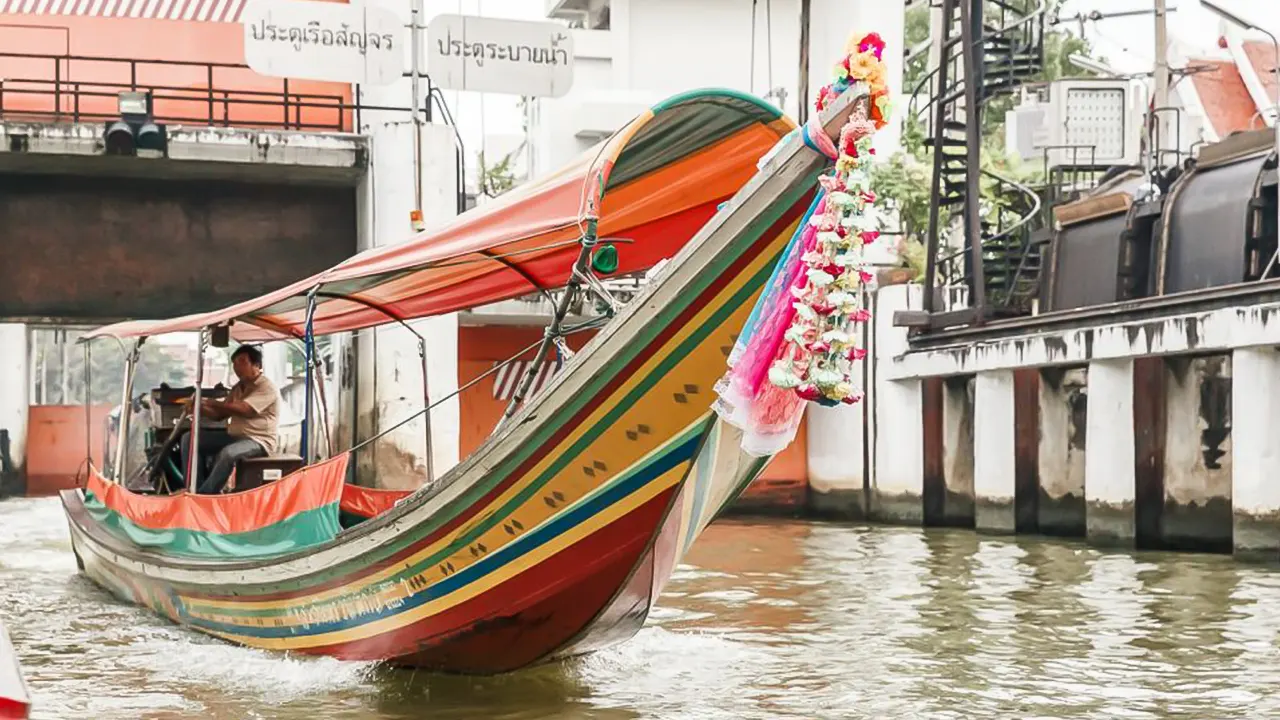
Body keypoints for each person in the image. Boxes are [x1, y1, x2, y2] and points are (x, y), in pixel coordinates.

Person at [179, 344, 280, 494]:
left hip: (259, 440)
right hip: (235, 436)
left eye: (242, 362)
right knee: (189, 438)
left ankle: (205, 495)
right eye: (235, 363)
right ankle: (193, 488)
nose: (237, 367)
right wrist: (197, 407)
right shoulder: (238, 388)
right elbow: (219, 415)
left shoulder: (266, 387)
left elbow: (245, 409)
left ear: (257, 365)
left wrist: (209, 402)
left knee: (228, 453)